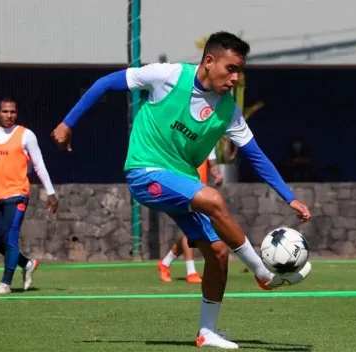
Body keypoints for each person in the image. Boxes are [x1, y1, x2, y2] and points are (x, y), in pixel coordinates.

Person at [51, 31, 312, 349]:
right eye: (230, 68)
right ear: (209, 61)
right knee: (214, 199)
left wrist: (290, 196)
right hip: (145, 173)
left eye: (239, 71)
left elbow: (256, 156)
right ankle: (263, 273)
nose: (235, 78)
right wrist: (67, 124)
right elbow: (106, 83)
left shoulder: (228, 111)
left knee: (218, 254)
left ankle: (207, 332)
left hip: (181, 182)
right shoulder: (169, 75)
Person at [0, 97, 59, 294]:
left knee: (10, 237)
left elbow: (39, 165)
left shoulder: (26, 135)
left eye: (12, 112)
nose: (9, 115)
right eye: (5, 112)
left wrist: (51, 192)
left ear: (16, 114)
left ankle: (6, 283)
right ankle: (27, 264)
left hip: (18, 193)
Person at [157, 147, 222, 284]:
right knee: (191, 230)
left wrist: (217, 175)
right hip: (183, 189)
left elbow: (212, 162)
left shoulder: (209, 138)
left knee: (191, 231)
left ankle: (165, 263)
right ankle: (191, 272)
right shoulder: (185, 133)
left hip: (199, 190)